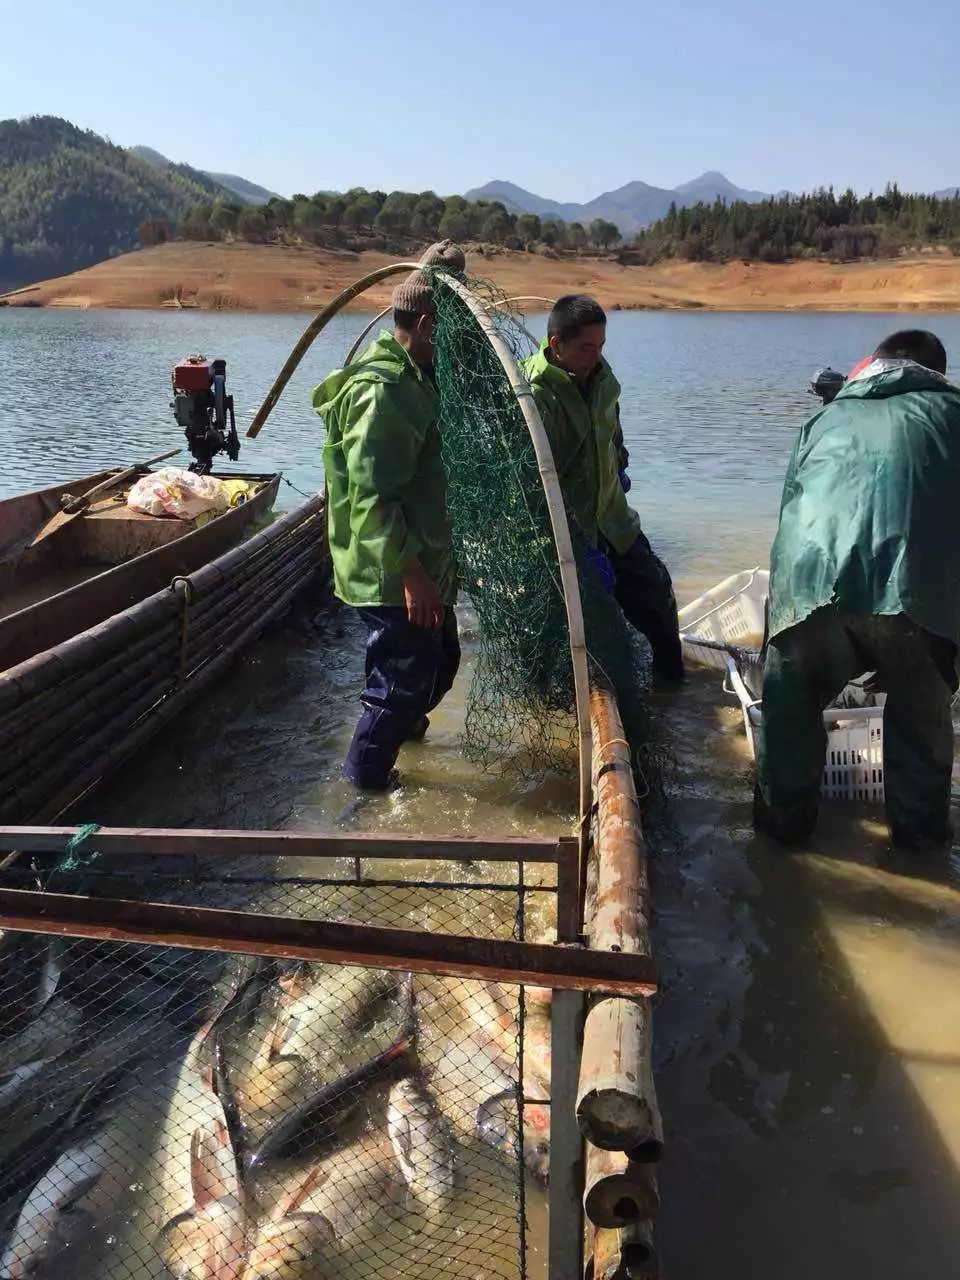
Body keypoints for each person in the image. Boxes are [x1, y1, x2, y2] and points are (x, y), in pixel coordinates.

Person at [756, 329, 960, 850]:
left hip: (808, 587)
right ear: (938, 372)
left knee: (790, 719)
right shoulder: (952, 412)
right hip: (912, 594)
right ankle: (920, 857)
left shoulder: (824, 417)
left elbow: (788, 515)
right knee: (920, 722)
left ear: (872, 366)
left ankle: (779, 847)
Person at [312, 242, 465, 790]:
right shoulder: (387, 391)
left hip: (422, 559)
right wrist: (413, 575)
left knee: (441, 661)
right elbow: (372, 497)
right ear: (426, 324)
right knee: (399, 683)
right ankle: (365, 786)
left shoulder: (421, 375)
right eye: (454, 326)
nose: (461, 340)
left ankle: (402, 731)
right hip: (391, 569)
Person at [522, 294, 684, 681]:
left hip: (615, 520)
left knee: (658, 597)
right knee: (581, 633)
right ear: (557, 345)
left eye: (601, 346)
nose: (595, 356)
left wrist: (619, 464)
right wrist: (577, 547)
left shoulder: (601, 375)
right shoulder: (535, 396)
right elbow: (530, 485)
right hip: (568, 535)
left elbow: (613, 431)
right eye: (586, 348)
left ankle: (673, 692)